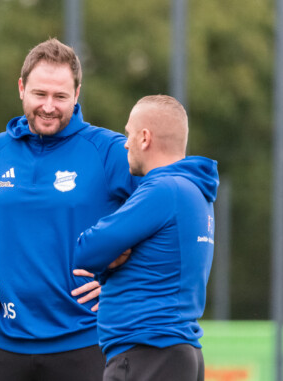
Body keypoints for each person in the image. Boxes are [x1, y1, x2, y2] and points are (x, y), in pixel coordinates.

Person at [0, 38, 138, 381]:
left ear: (77, 93)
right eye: (39, 94)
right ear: (21, 88)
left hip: (86, 343)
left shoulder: (109, 151)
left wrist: (124, 283)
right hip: (5, 345)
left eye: (60, 97)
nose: (48, 106)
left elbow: (166, 216)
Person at [73, 95, 218, 381]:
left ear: (144, 138)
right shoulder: (194, 191)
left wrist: (105, 262)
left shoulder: (162, 189)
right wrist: (111, 266)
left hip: (149, 352)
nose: (125, 143)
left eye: (128, 133)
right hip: (169, 351)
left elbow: (86, 251)